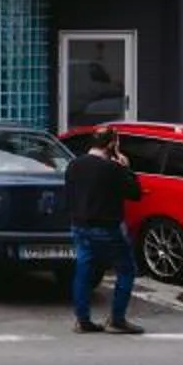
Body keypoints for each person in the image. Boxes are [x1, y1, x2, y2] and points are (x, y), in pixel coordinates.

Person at [64, 130, 143, 335]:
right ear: (111, 146)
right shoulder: (112, 168)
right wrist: (126, 168)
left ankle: (82, 320)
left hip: (79, 225)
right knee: (126, 269)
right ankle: (117, 319)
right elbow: (135, 193)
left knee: (83, 271)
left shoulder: (74, 165)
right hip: (107, 226)